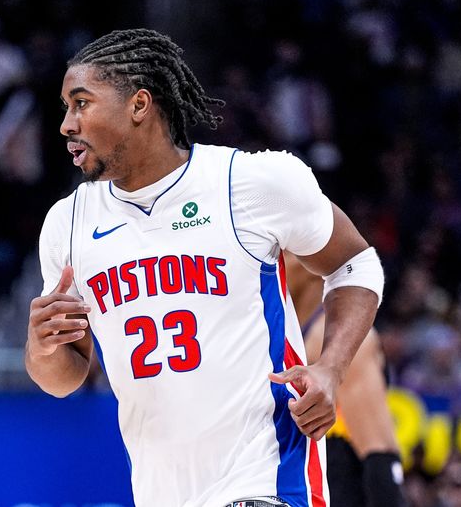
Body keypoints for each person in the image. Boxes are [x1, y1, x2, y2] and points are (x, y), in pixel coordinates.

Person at [26, 29, 384, 507]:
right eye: (66, 108)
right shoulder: (67, 223)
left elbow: (356, 263)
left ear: (139, 105)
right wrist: (42, 348)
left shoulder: (249, 183)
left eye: (81, 103)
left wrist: (332, 369)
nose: (66, 125)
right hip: (161, 492)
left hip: (268, 480)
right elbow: (65, 378)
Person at [284, 253, 406, 507]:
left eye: (284, 252)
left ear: (311, 263)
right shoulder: (275, 331)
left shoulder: (341, 339)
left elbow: (380, 457)